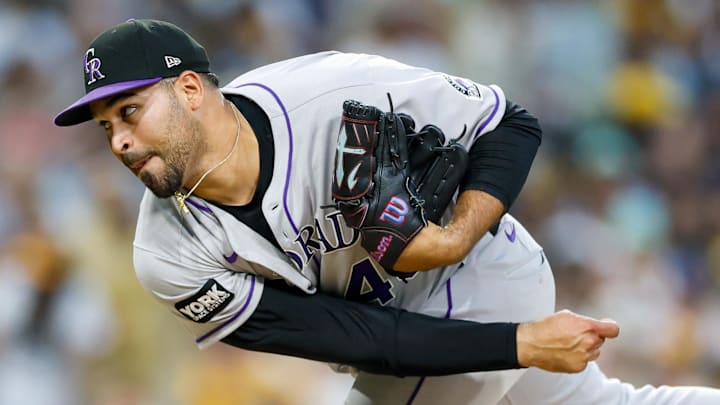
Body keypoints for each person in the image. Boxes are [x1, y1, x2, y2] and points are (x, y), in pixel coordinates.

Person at [53, 19, 719, 404]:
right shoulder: (166, 253)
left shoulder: (329, 95)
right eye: (106, 126)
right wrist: (523, 346)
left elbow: (510, 125)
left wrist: (453, 237)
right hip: (401, 334)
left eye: (130, 112)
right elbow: (351, 338)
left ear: (192, 89)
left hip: (478, 281)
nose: (119, 141)